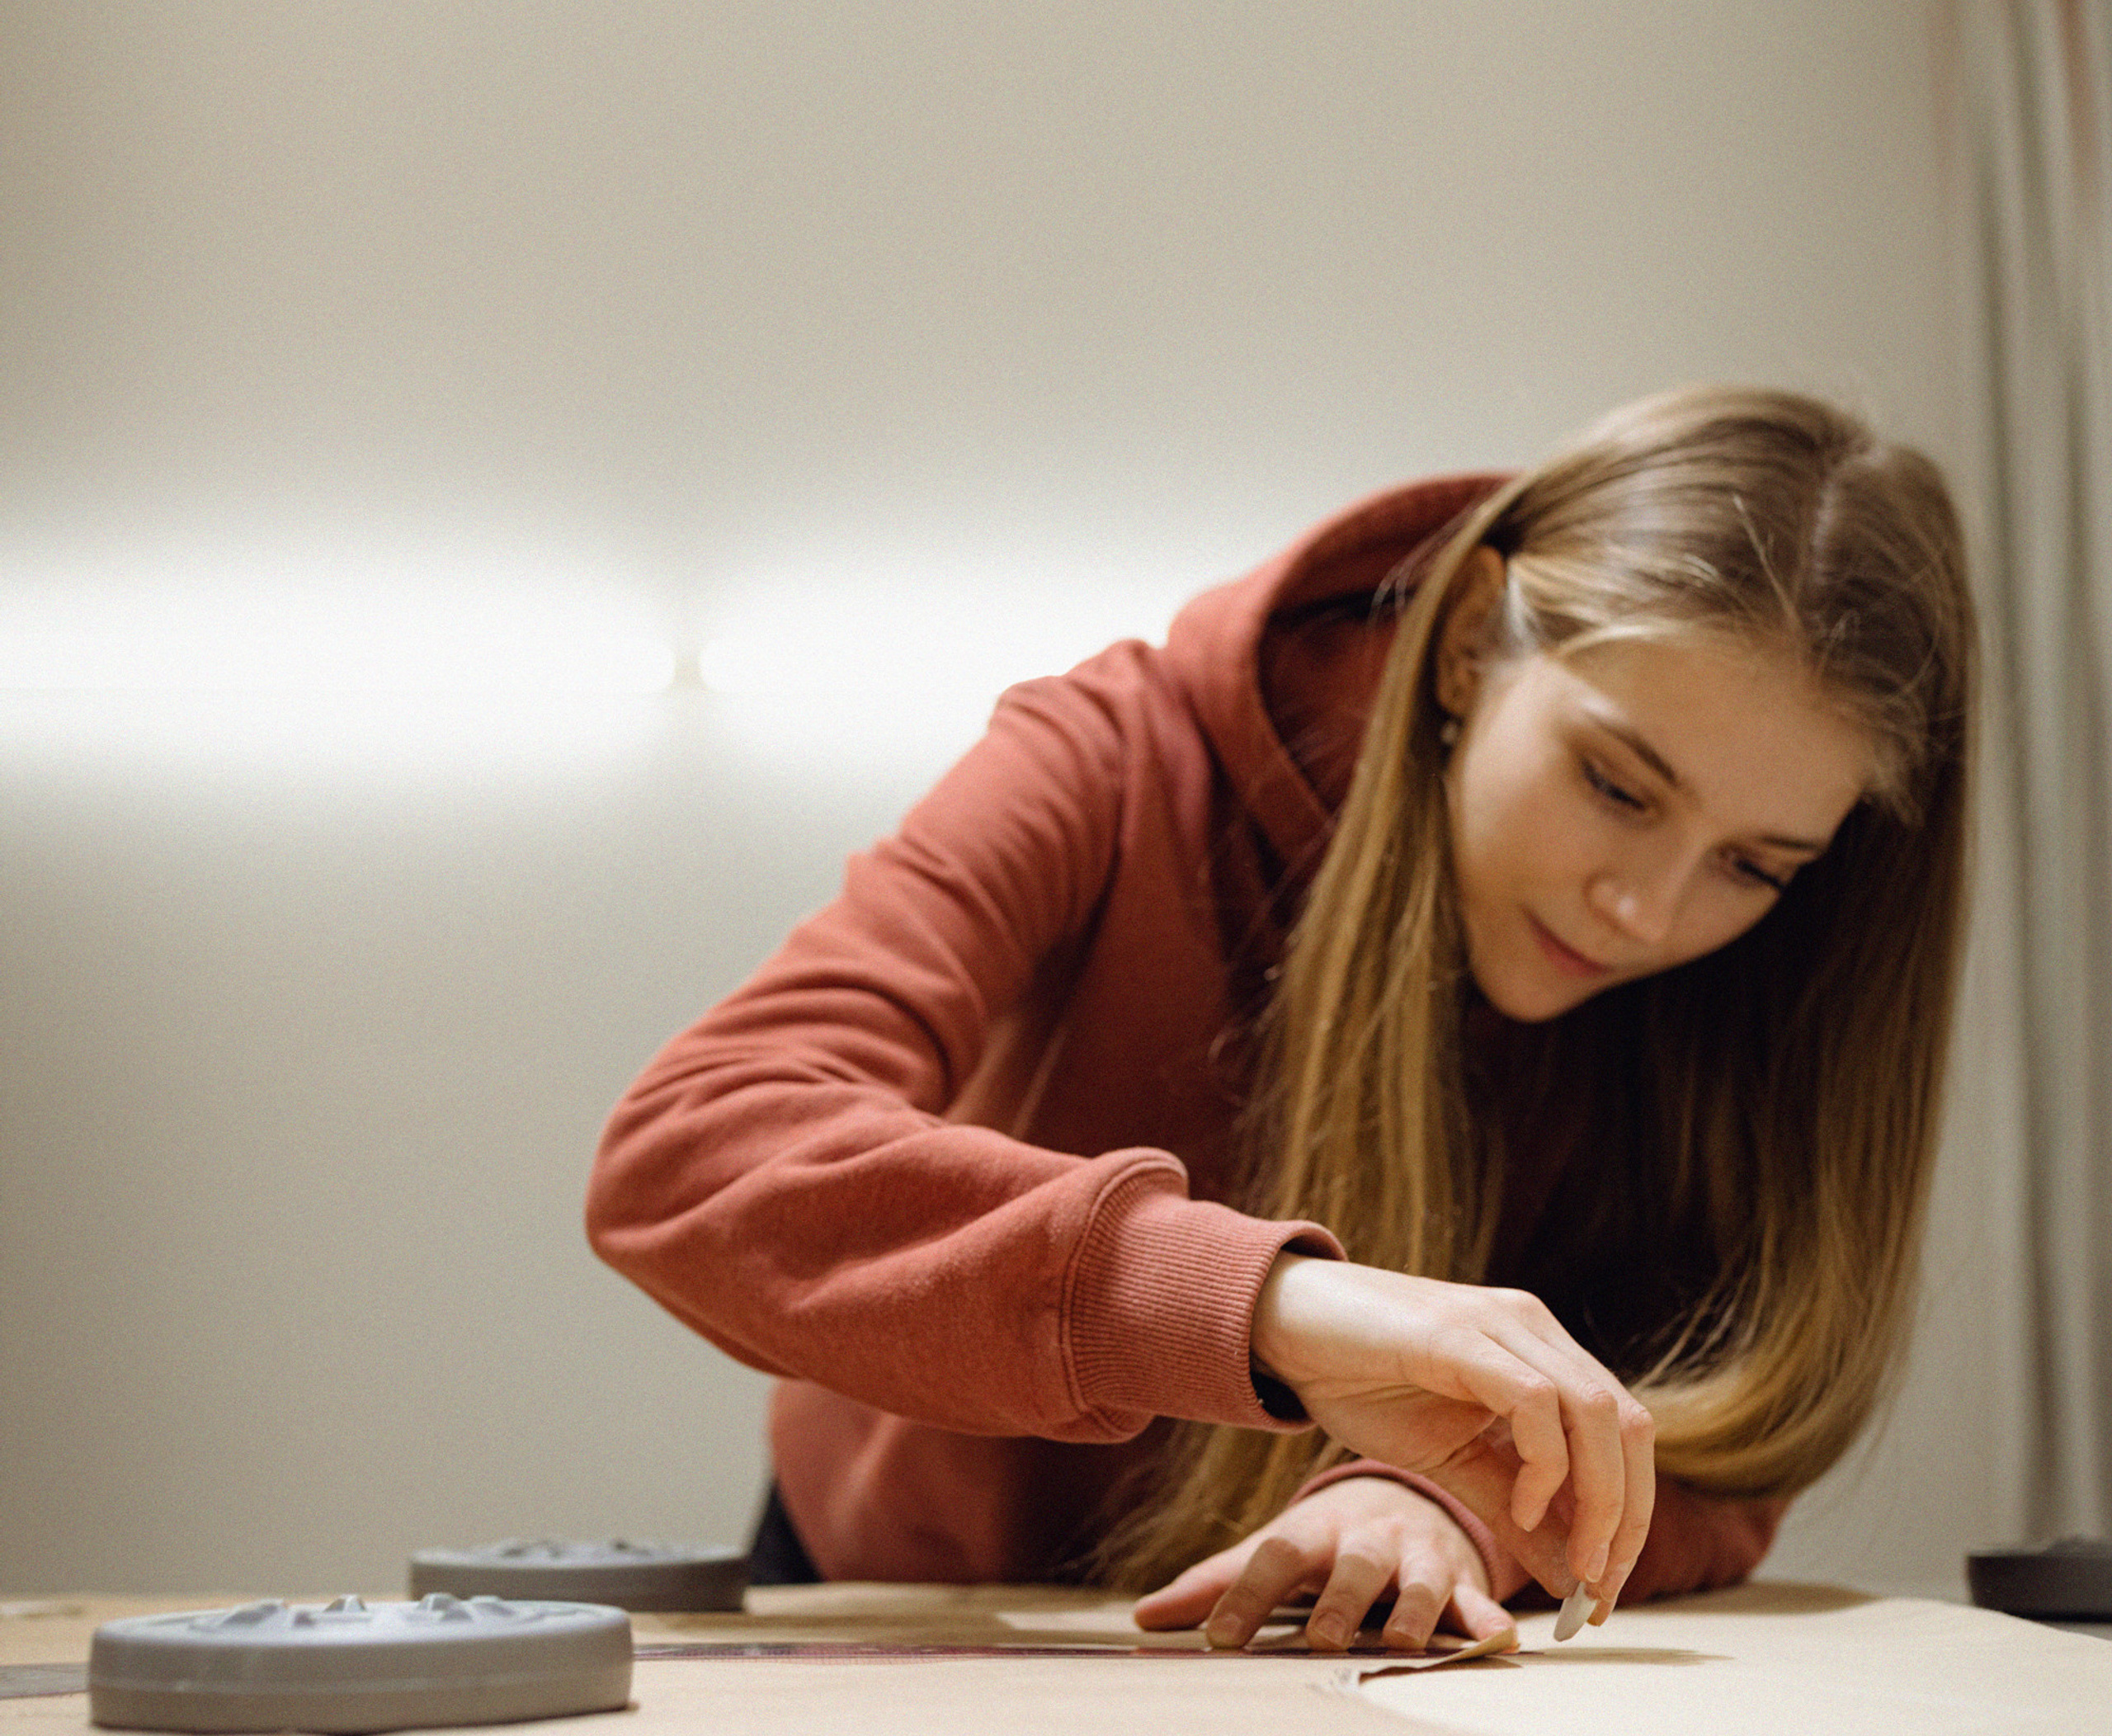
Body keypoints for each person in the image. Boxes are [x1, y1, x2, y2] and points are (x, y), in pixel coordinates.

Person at [586, 385, 1975, 1653]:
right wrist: (1273, 1311)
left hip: (1351, 1651)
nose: (1648, 912)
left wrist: (1453, 1510)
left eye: (1754, 866)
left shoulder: (1767, 979)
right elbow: (691, 1150)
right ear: (1470, 644)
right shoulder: (1115, 750)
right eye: (1616, 785)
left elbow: (1731, 1401)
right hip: (899, 1599)